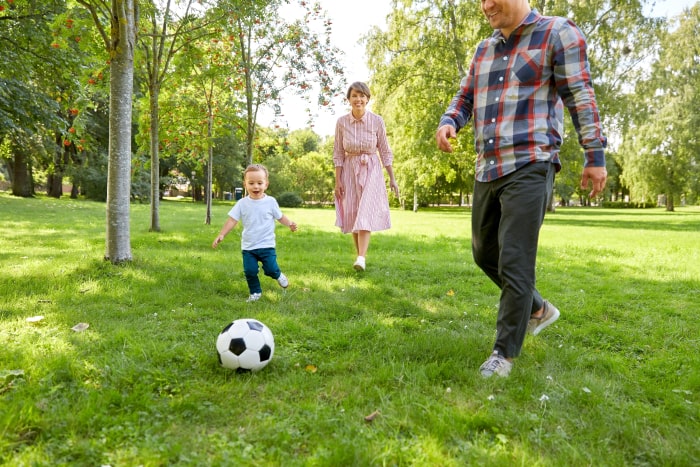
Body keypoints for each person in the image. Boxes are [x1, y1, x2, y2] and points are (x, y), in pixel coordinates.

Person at [435, 0, 607, 377]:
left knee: (515, 259)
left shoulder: (557, 33)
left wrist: (595, 153)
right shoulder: (484, 49)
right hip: (488, 166)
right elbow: (465, 97)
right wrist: (451, 121)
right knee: (485, 254)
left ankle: (503, 353)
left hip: (531, 162)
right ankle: (539, 309)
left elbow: (580, 95)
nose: (485, 5)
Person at [333, 81, 400, 271]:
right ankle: (359, 257)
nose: (358, 99)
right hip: (349, 169)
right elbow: (338, 153)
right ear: (349, 99)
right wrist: (337, 180)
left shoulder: (377, 121)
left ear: (368, 99)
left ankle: (361, 257)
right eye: (354, 95)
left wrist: (392, 178)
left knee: (365, 212)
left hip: (371, 170)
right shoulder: (341, 122)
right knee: (353, 212)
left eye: (362, 96)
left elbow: (385, 151)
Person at [212, 164, 298, 302]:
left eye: (259, 183)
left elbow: (280, 216)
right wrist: (222, 234)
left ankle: (278, 275)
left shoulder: (270, 202)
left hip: (267, 245)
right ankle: (255, 293)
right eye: (251, 183)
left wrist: (290, 224)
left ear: (266, 184)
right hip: (248, 246)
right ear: (245, 184)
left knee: (270, 269)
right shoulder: (242, 203)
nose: (255, 186)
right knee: (250, 271)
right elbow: (232, 220)